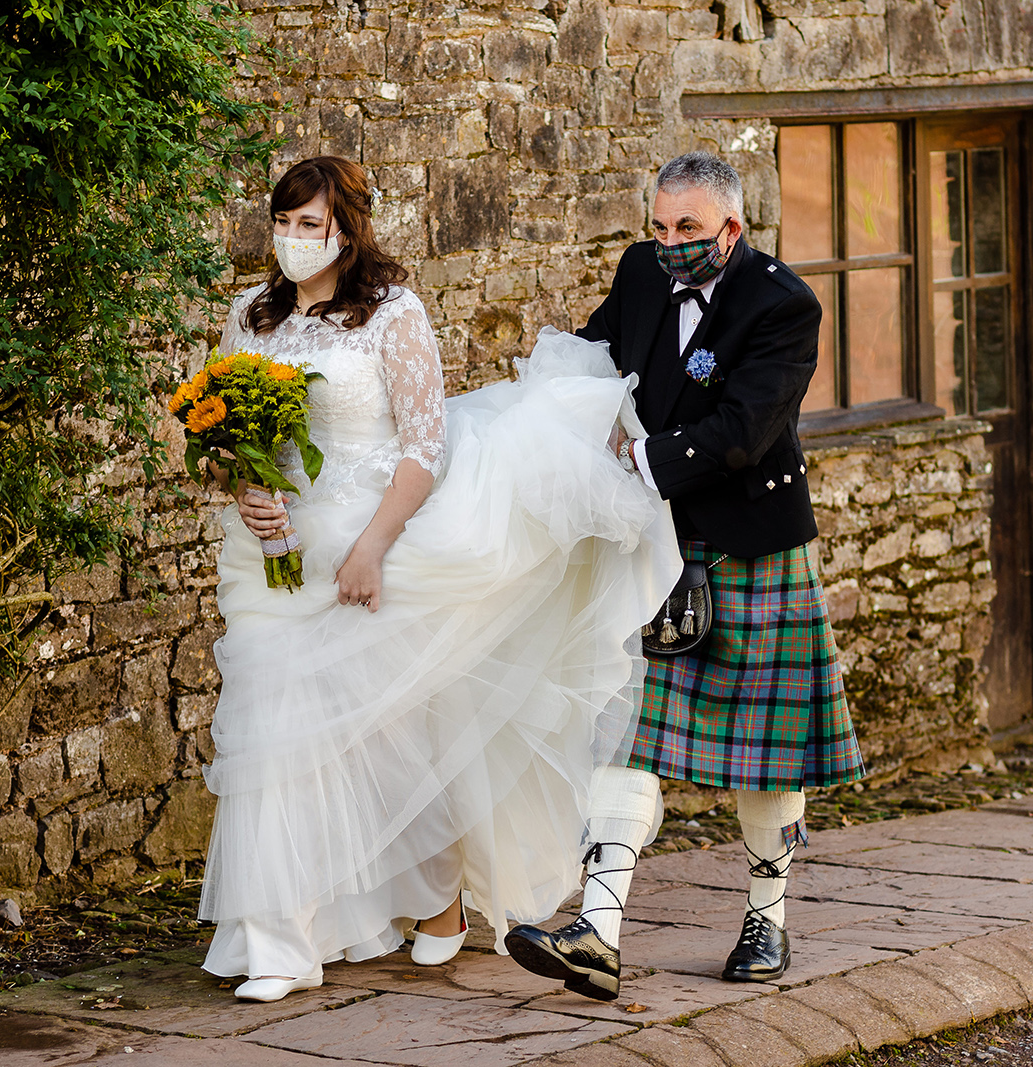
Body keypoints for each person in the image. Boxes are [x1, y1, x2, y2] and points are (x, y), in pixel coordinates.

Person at [197, 156, 680, 1002]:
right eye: (283, 221)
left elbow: (426, 446)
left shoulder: (392, 313)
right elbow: (222, 433)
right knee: (270, 727)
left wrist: (372, 546)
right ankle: (278, 938)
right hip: (271, 553)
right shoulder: (251, 316)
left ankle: (437, 895)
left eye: (310, 224)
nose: (292, 239)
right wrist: (246, 491)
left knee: (391, 732)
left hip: (374, 535)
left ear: (347, 228)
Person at [505, 151, 866, 1000]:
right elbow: (598, 360)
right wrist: (541, 421)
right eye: (660, 226)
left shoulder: (782, 304)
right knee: (626, 729)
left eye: (689, 230)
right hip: (654, 541)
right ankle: (596, 930)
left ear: (731, 229)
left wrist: (636, 455)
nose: (670, 244)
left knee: (769, 759)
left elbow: (742, 429)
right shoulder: (640, 272)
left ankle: (767, 917)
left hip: (750, 544)